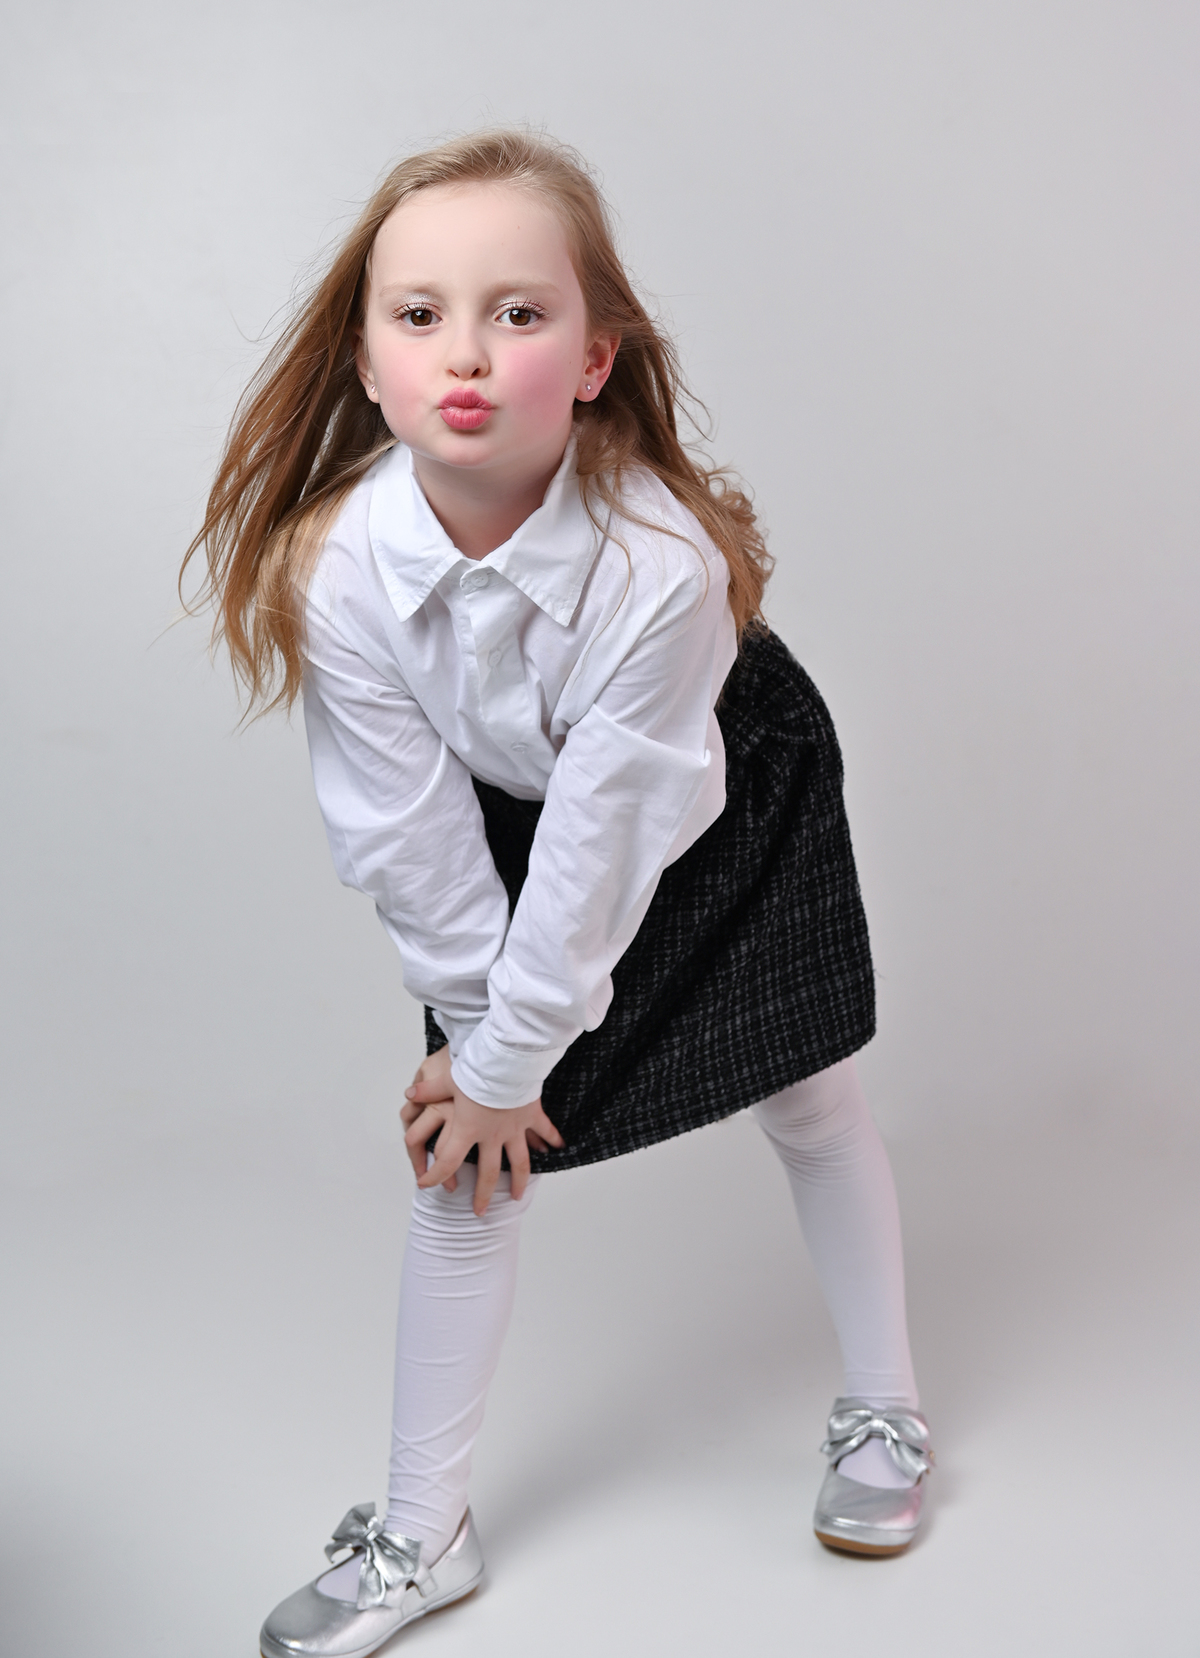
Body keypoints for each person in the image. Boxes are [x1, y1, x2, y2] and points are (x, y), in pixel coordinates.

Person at [184, 129, 934, 1658]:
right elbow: (406, 833)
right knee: (465, 1156)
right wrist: (485, 1055)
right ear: (368, 362)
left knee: (809, 1094)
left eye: (517, 313)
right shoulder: (339, 566)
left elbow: (612, 829)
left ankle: (887, 1408)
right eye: (420, 315)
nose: (465, 352)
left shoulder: (658, 565)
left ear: (595, 360)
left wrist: (514, 1054)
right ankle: (423, 1528)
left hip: (717, 798)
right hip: (508, 822)